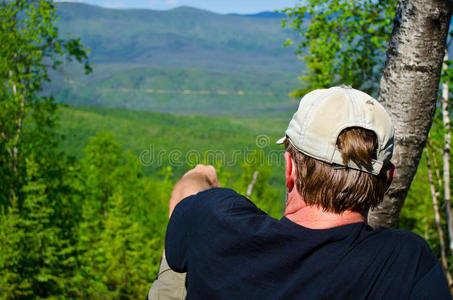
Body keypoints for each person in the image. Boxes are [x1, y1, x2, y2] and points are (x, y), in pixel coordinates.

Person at [148, 86, 452, 299]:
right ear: (387, 181)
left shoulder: (213, 219)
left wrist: (201, 175)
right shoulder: (406, 261)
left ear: (290, 167)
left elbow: (184, 201)